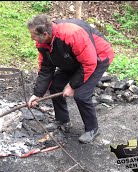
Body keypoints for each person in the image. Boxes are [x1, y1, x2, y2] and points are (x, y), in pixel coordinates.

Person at [26, 14, 114, 144]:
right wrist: (37, 94)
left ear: (45, 34)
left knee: (82, 95)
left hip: (97, 57)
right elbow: (46, 68)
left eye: (33, 35)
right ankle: (62, 120)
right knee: (55, 84)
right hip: (74, 60)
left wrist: (72, 85)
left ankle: (92, 129)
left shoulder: (71, 34)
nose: (31, 37)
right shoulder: (43, 43)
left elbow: (89, 63)